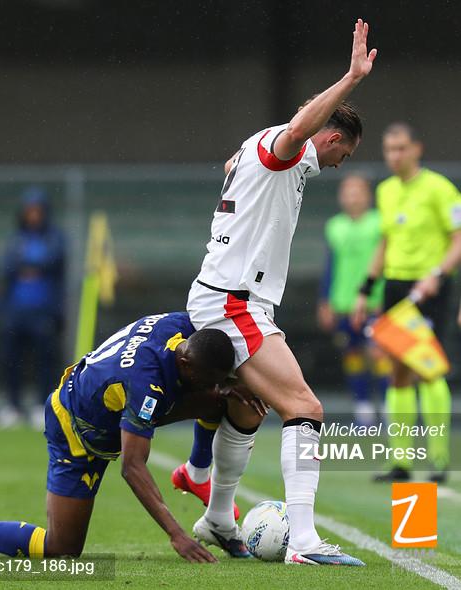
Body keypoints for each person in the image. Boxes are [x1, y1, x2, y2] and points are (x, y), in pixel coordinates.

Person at [181, 19, 376, 566]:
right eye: (344, 155)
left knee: (249, 407)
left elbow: (240, 163)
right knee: (304, 407)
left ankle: (217, 514)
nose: (339, 165)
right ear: (331, 139)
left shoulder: (257, 146)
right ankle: (305, 543)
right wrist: (352, 78)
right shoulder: (282, 148)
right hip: (233, 301)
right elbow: (296, 133)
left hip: (227, 296)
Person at [0, 312, 263, 562]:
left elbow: (204, 377)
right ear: (186, 364)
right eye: (207, 378)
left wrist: (224, 385)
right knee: (62, 548)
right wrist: (177, 535)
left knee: (222, 399)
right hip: (76, 430)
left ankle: (195, 474)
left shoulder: (182, 325)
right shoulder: (145, 383)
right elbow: (132, 467)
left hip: (111, 405)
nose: (212, 384)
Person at [353, 123, 461, 483]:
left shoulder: (439, 189)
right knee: (398, 370)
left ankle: (439, 461)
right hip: (396, 288)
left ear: (417, 149)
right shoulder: (386, 191)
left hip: (430, 288)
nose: (394, 155)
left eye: (401, 148)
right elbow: (385, 243)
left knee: (428, 368)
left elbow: (458, 239)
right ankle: (401, 462)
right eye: (389, 149)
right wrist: (366, 289)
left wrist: (437, 274)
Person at [317, 174, 390, 426]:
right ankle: (363, 410)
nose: (352, 197)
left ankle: (389, 408)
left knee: (380, 354)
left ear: (368, 196)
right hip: (343, 304)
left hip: (374, 301)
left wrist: (386, 298)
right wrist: (325, 301)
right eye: (347, 192)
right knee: (353, 355)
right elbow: (330, 266)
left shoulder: (380, 223)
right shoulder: (335, 226)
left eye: (357, 192)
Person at [0, 187, 66, 430]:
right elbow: (8, 266)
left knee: (45, 360)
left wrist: (30, 265)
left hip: (43, 310)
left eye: (37, 210)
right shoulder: (17, 238)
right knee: (12, 360)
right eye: (29, 211)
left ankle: (42, 405)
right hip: (16, 311)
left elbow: (52, 261)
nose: (33, 215)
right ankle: (13, 406)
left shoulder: (54, 237)